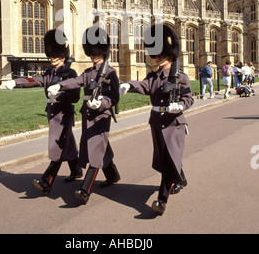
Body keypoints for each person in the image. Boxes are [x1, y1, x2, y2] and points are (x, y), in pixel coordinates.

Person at [119, 24, 194, 216]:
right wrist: (129, 85)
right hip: (157, 123)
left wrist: (180, 106)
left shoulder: (181, 77)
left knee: (169, 161)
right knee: (166, 158)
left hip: (173, 123)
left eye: (160, 55)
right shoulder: (154, 76)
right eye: (156, 55)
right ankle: (181, 179)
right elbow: (144, 85)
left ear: (168, 55)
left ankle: (161, 200)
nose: (156, 58)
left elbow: (188, 98)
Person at [48, 26, 120, 205]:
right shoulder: (88, 72)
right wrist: (60, 86)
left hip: (101, 116)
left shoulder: (110, 72)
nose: (92, 55)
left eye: (95, 52)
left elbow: (114, 96)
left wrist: (101, 103)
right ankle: (112, 174)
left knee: (95, 149)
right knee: (100, 145)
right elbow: (76, 81)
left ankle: (85, 190)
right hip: (88, 115)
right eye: (91, 52)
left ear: (102, 52)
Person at [4, 29, 82, 194]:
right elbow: (33, 79)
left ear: (62, 56)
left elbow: (75, 96)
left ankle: (46, 181)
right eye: (51, 55)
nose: (51, 58)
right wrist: (16, 82)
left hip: (63, 116)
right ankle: (76, 171)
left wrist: (59, 94)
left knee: (57, 149)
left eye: (55, 55)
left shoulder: (70, 73)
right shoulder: (49, 73)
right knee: (66, 145)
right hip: (53, 115)